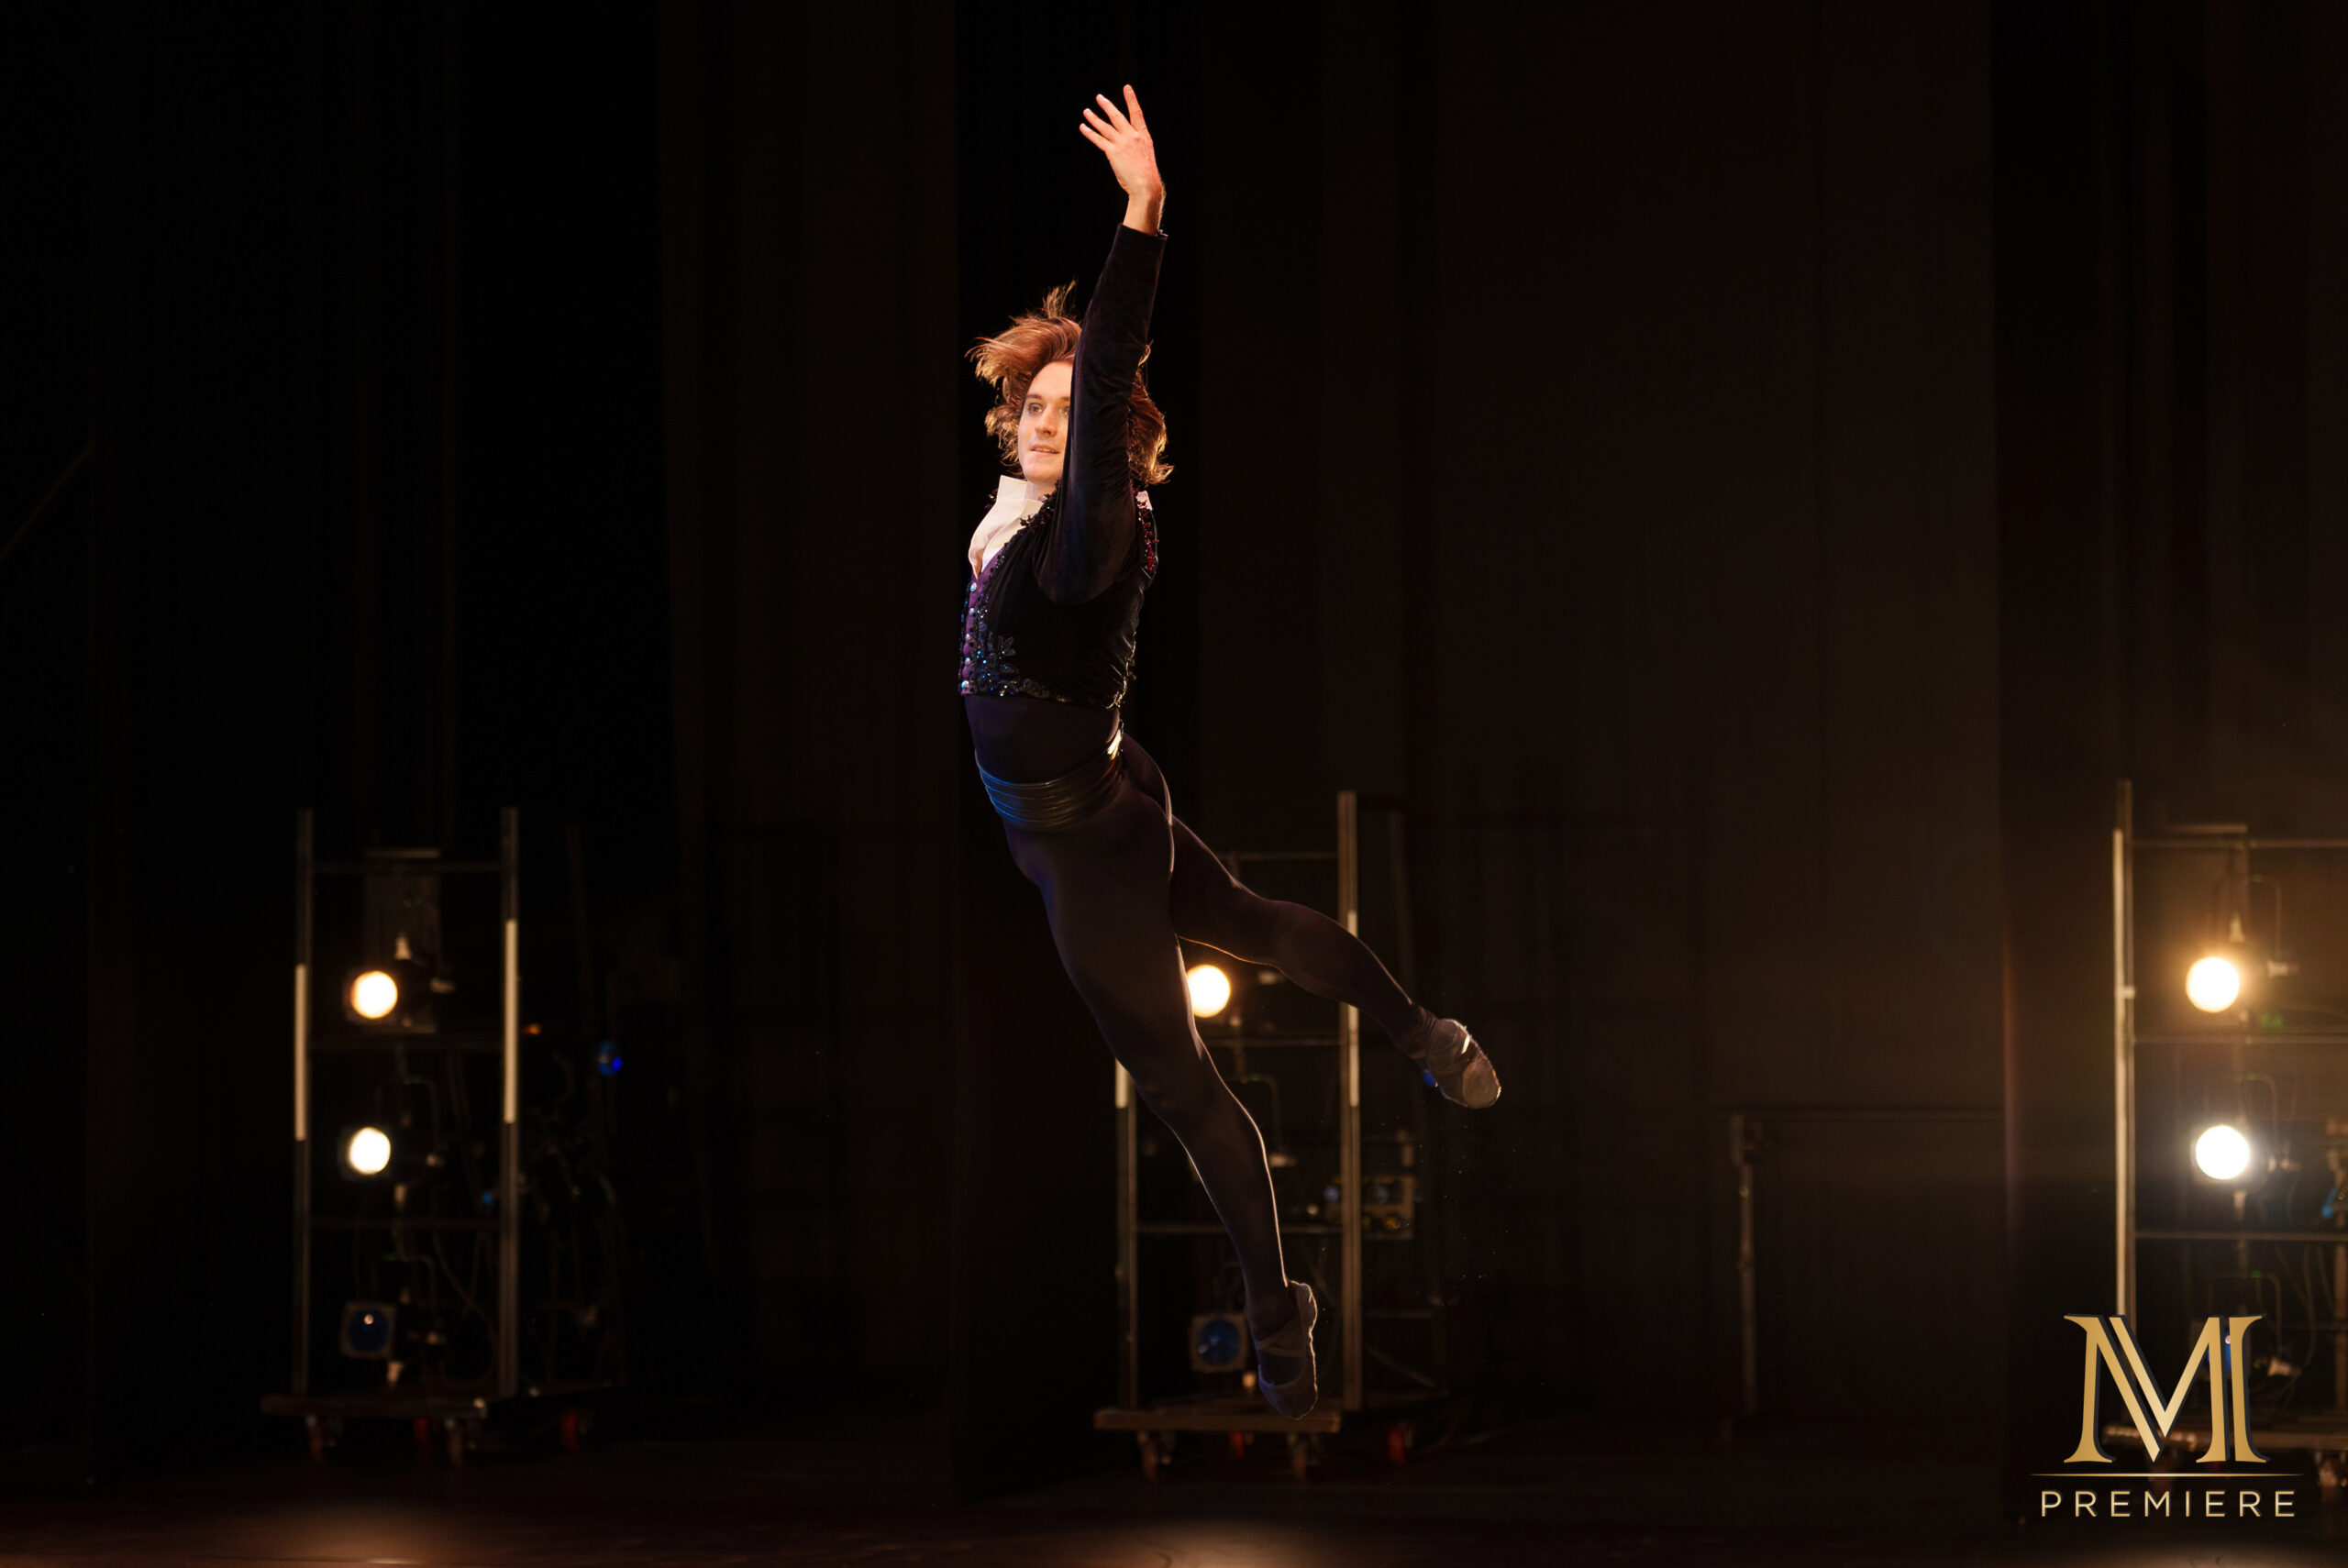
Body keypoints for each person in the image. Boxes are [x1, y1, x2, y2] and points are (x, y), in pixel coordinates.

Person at [956, 85, 1500, 1419]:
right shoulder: (1020, 506)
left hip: (1078, 835)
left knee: (1183, 1086)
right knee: (1244, 918)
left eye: (1074, 409)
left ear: (1114, 437)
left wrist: (1143, 218)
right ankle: (1425, 1030)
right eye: (1037, 402)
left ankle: (1275, 1307)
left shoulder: (1087, 532)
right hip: (1088, 797)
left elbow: (1108, 384)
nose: (1048, 418)